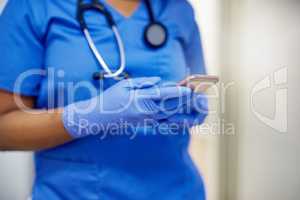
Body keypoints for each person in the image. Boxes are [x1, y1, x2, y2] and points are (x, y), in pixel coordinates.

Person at [0, 0, 208, 199]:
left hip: (177, 191)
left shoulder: (178, 9)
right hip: (75, 193)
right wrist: (88, 116)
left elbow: (195, 86)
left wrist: (191, 107)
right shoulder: (34, 5)